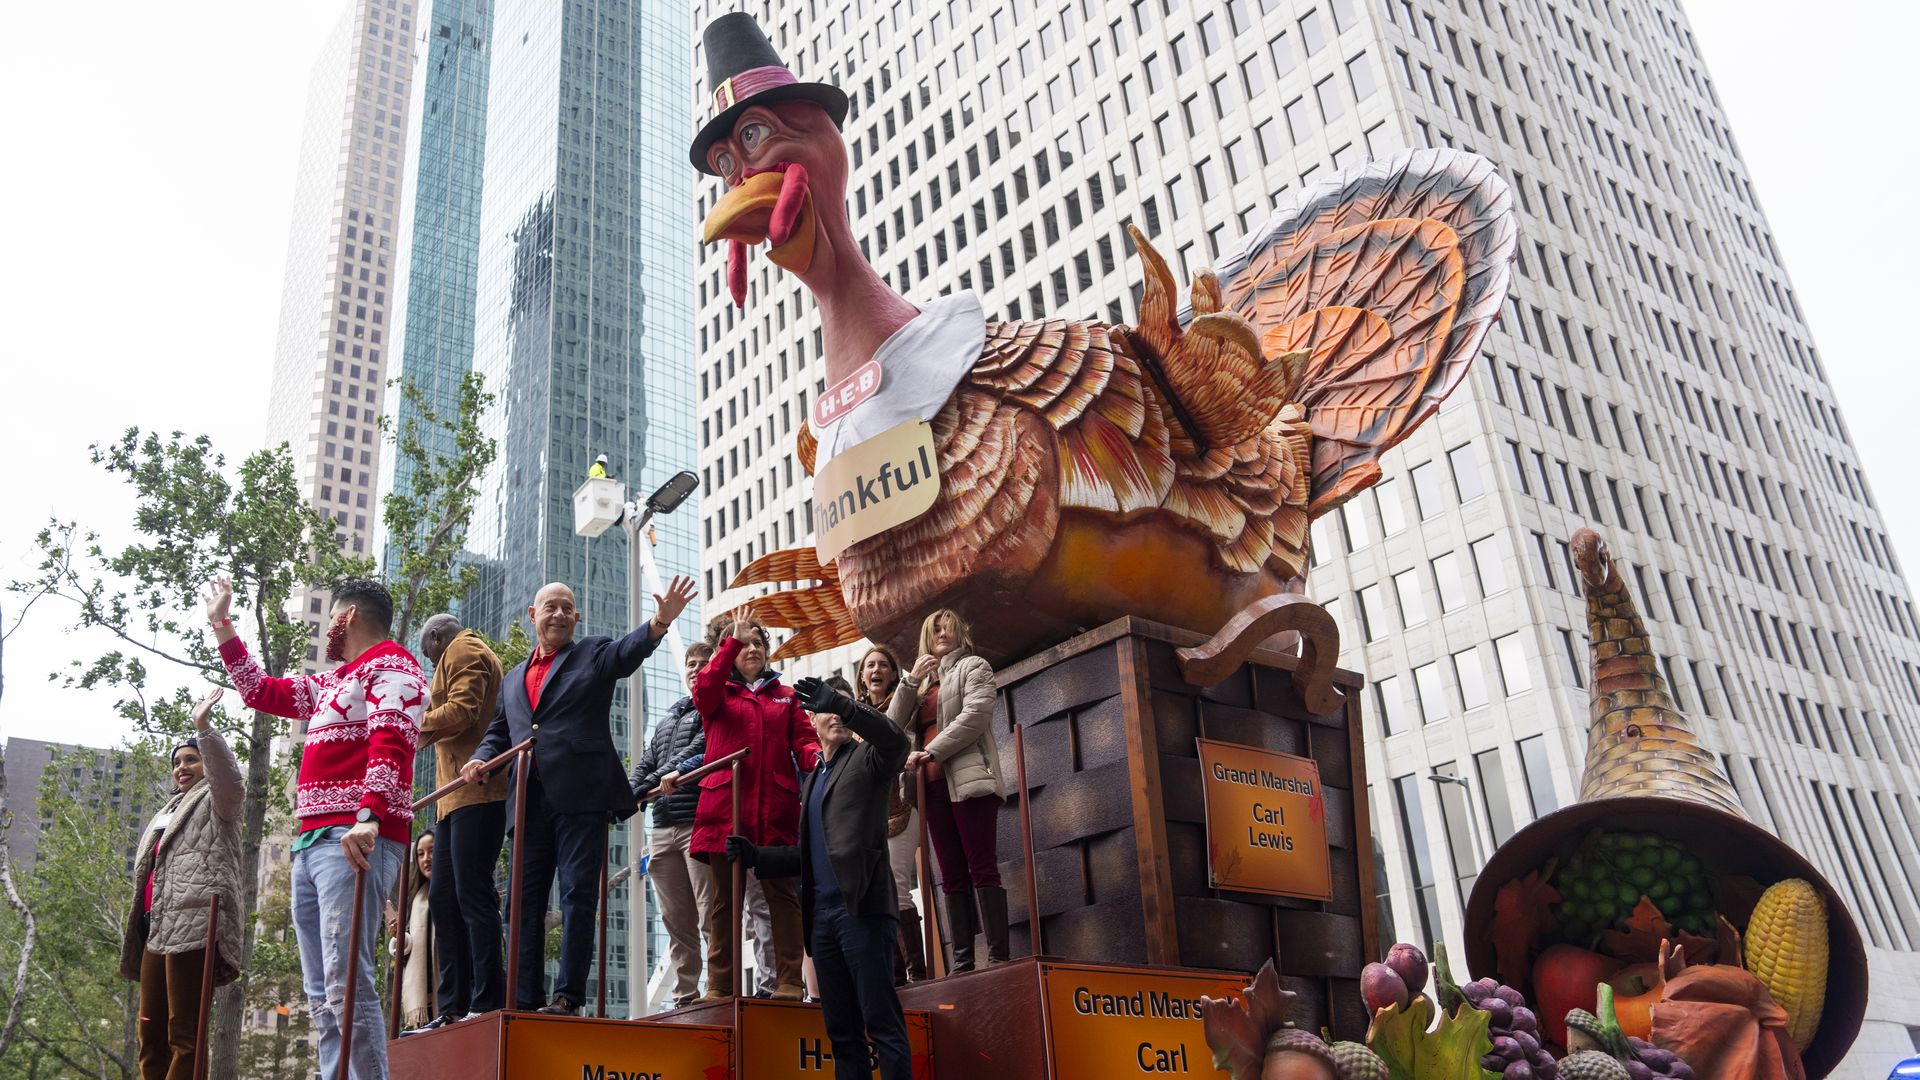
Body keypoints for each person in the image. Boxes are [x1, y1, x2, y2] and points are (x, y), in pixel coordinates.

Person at [206, 576, 424, 1080]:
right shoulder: (332, 682)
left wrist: (368, 817)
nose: (328, 627)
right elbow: (259, 691)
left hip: (354, 839)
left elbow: (392, 743)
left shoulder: (394, 665)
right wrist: (222, 625)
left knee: (346, 985)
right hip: (313, 844)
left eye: (332, 617)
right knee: (323, 991)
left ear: (347, 617)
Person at [462, 576, 697, 1015]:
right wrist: (480, 758)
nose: (558, 614)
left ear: (576, 616)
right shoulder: (513, 679)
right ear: (532, 616)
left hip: (581, 796)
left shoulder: (592, 652)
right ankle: (524, 1000)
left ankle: (568, 998)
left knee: (577, 895)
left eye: (566, 607)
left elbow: (627, 653)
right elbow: (499, 732)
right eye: (549, 607)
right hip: (527, 801)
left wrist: (659, 622)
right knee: (521, 904)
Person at [726, 676, 913, 1080]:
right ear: (811, 719)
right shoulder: (811, 781)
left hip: (861, 909)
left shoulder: (868, 759)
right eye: (828, 706)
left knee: (881, 1023)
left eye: (843, 706)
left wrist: (847, 706)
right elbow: (809, 854)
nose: (837, 714)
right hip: (822, 921)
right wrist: (759, 856)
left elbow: (897, 741)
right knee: (842, 1034)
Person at [689, 605, 820, 1001]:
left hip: (775, 809)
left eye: (759, 643)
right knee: (723, 902)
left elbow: (804, 741)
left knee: (781, 894)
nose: (753, 648)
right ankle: (720, 985)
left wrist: (821, 759)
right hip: (722, 809)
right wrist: (731, 640)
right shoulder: (717, 694)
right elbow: (702, 689)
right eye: (745, 643)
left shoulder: (786, 696)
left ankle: (789, 981)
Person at [120, 688, 244, 1080]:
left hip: (194, 925)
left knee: (185, 1033)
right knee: (149, 1032)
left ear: (205, 763)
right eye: (177, 761)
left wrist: (203, 728)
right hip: (155, 927)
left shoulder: (218, 799)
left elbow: (229, 776)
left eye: (191, 759)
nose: (182, 766)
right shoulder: (168, 810)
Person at [890, 609, 1008, 972]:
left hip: (968, 780)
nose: (942, 633)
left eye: (947, 627)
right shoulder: (922, 682)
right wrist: (910, 681)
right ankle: (963, 961)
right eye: (934, 629)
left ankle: (999, 955)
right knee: (950, 873)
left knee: (981, 867)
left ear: (961, 632)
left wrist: (933, 750)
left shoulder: (974, 667)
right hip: (929, 788)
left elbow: (975, 716)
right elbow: (892, 726)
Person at [414, 613, 507, 1027]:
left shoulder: (463, 647)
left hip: (478, 791)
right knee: (442, 899)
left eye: (428, 656)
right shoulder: (455, 651)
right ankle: (451, 1006)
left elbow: (463, 710)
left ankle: (487, 999)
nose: (432, 665)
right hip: (451, 800)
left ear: (436, 638)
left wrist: (414, 723)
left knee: (473, 893)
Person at [626, 641, 719, 1007]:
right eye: (691, 663)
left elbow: (691, 753)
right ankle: (685, 995)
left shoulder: (713, 710)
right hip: (662, 826)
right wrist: (633, 791)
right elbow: (646, 761)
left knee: (710, 911)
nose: (696, 668)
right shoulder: (668, 719)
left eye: (703, 663)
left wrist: (643, 789)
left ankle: (721, 988)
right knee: (675, 920)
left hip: (699, 819)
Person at [857, 645, 925, 984]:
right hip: (867, 817)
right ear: (861, 676)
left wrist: (909, 684)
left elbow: (889, 727)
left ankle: (917, 973)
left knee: (897, 888)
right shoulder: (852, 714)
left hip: (900, 805)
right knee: (876, 893)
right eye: (870, 665)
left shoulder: (906, 705)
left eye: (883, 664)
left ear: (894, 675)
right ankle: (896, 975)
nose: (876, 670)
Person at [389, 834, 438, 1030]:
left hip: (450, 990)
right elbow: (416, 944)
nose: (426, 858)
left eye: (432, 851)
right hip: (422, 998)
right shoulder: (416, 898)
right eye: (420, 854)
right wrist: (399, 936)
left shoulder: (455, 889)